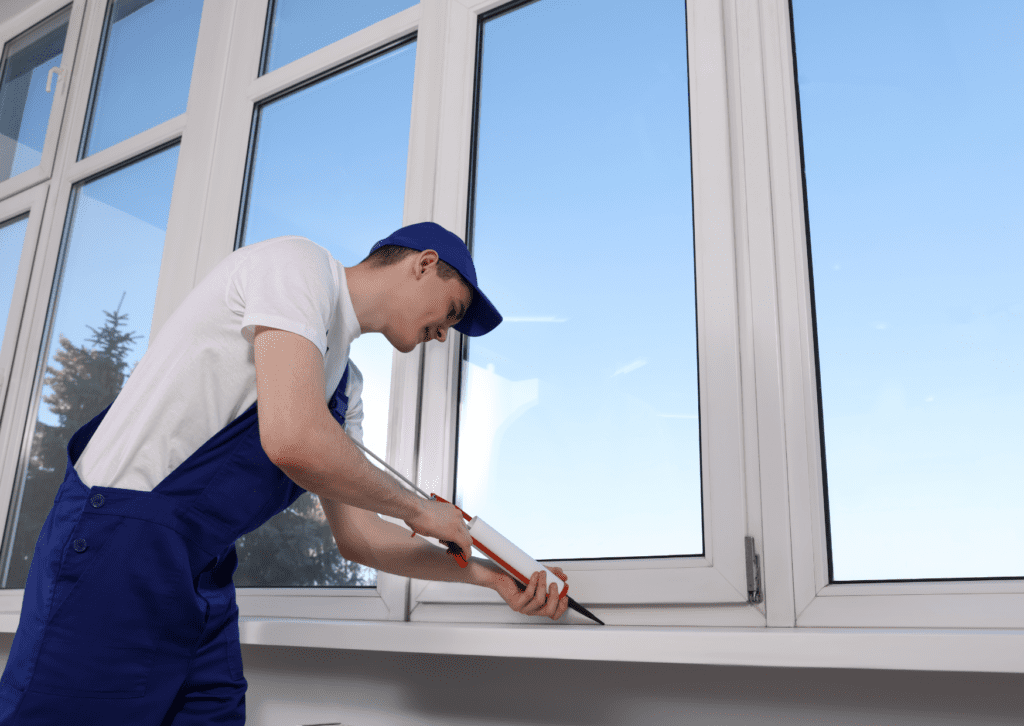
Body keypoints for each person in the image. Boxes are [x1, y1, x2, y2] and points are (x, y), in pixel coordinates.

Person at [0, 221, 567, 725]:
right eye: (453, 311)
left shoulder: (345, 387)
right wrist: (422, 511)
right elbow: (293, 438)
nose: (445, 333)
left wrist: (489, 577)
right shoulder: (299, 268)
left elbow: (361, 537)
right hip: (116, 547)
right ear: (423, 263)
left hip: (199, 574)